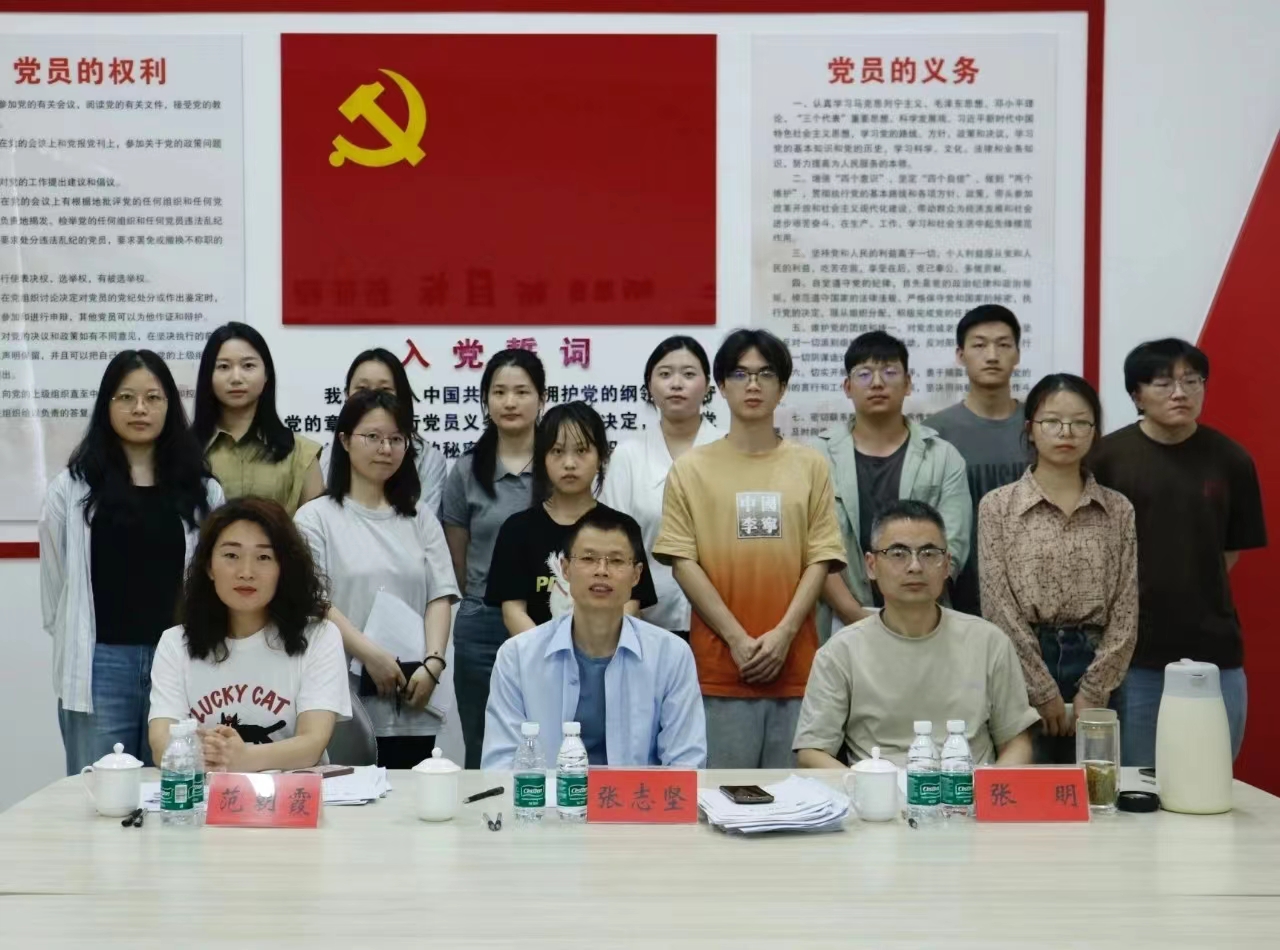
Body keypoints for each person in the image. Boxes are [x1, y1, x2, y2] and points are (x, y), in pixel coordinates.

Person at [654, 329, 846, 769]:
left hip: (797, 666)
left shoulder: (811, 465)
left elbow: (820, 557)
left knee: (800, 801)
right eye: (740, 374)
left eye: (766, 374)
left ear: (783, 386)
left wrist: (783, 635)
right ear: (721, 386)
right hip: (719, 669)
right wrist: (737, 639)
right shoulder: (691, 469)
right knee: (720, 799)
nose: (753, 385)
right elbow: (682, 561)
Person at [39, 350, 224, 774]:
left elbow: (211, 582)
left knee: (177, 788)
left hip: (178, 659)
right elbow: (57, 583)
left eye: (153, 398)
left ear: (169, 407)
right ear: (107, 405)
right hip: (100, 666)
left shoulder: (203, 492)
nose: (140, 408)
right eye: (126, 397)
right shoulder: (72, 489)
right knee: (100, 794)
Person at [1090, 339, 1265, 766]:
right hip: (1134, 656)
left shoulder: (1232, 460)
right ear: (1136, 395)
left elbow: (1229, 552)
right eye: (1163, 383)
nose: (1180, 393)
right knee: (1139, 781)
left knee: (1211, 776)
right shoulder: (1106, 459)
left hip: (1215, 649)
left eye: (1192, 381)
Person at [794, 500, 1038, 768]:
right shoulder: (840, 652)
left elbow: (1016, 742)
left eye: (929, 553)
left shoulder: (989, 642)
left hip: (967, 787)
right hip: (878, 789)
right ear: (871, 565)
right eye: (898, 553)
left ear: (947, 565)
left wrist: (988, 789)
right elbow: (813, 750)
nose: (915, 566)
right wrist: (861, 786)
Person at [295, 389, 459, 769]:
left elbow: (440, 596)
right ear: (344, 440)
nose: (385, 448)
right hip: (342, 697)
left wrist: (434, 663)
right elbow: (314, 601)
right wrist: (370, 655)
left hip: (413, 694)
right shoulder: (315, 518)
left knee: (411, 797)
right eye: (373, 437)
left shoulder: (420, 517)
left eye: (396, 439)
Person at [978, 374, 1138, 763]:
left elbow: (1126, 607)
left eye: (1080, 422)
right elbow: (998, 605)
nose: (1066, 432)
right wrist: (1040, 687)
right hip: (1024, 661)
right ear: (1030, 430)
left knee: (1098, 788)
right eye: (1051, 421)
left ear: (1094, 432)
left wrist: (1095, 689)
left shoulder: (1118, 508)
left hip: (1098, 662)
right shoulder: (997, 506)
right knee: (1026, 789)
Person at [481, 507, 706, 769]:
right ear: (565, 569)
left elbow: (686, 763)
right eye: (588, 559)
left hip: (637, 796)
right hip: (547, 796)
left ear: (637, 575)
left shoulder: (671, 655)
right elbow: (500, 764)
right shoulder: (517, 656)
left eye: (616, 561)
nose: (602, 571)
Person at [148, 498, 351, 770]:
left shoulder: (319, 636)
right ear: (209, 566)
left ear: (283, 568)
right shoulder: (176, 643)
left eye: (264, 557)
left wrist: (243, 759)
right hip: (207, 790)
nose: (246, 572)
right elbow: (161, 743)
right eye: (231, 556)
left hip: (292, 791)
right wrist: (217, 757)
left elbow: (312, 743)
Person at [816, 331, 970, 631]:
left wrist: (907, 613)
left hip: (925, 616)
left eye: (889, 372)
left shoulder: (943, 456)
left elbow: (954, 544)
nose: (877, 383)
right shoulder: (817, 457)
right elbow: (813, 548)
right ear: (847, 387)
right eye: (864, 374)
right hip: (839, 619)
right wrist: (853, 614)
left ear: (908, 383)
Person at [441, 348, 545, 768]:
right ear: (485, 400)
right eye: (499, 392)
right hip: (482, 622)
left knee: (550, 734)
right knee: (482, 742)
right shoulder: (467, 470)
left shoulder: (559, 466)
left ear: (541, 398)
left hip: (548, 618)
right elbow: (458, 555)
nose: (510, 401)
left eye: (522, 391)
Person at [486, 401, 658, 635]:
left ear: (601, 457)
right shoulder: (517, 529)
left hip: (607, 652)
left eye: (581, 451)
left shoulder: (623, 528)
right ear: (542, 458)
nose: (569, 464)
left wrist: (597, 649)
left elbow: (630, 603)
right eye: (557, 451)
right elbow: (513, 612)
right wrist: (549, 652)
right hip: (537, 654)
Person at [600, 336, 722, 641]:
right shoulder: (628, 456)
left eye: (689, 374)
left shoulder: (729, 450)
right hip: (645, 621)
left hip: (724, 620)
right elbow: (612, 542)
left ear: (708, 386)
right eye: (665, 374)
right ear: (649, 385)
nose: (676, 384)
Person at [925, 304, 1029, 614]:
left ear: (1018, 354)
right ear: (960, 355)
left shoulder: (1039, 426)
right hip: (959, 591)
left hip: (1034, 587)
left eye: (1003, 345)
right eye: (980, 345)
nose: (992, 355)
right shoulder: (935, 432)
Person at [193, 322, 323, 516]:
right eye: (223, 366)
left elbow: (317, 529)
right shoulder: (184, 451)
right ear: (208, 376)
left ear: (266, 374)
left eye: (248, 365)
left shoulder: (302, 455)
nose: (236, 378)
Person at [318, 348, 449, 519]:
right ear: (346, 396)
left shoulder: (428, 459)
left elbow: (424, 520)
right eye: (362, 389)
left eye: (385, 390)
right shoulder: (325, 457)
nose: (373, 399)